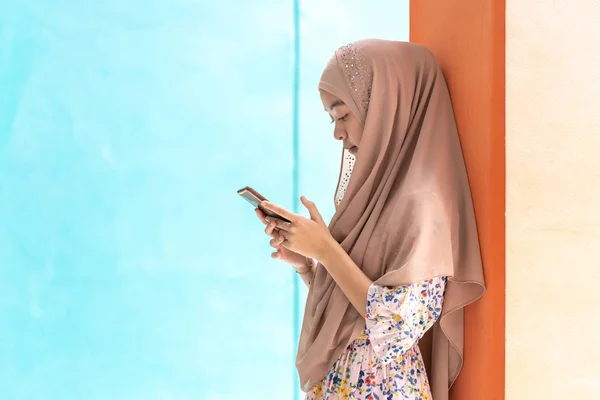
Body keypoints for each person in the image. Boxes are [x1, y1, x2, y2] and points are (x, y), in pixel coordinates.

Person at [255, 39, 485, 400]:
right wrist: (310, 267)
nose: (337, 133)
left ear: (387, 106)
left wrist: (328, 250)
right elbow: (358, 310)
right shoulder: (379, 200)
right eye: (332, 119)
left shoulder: (426, 205)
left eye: (343, 115)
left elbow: (397, 326)